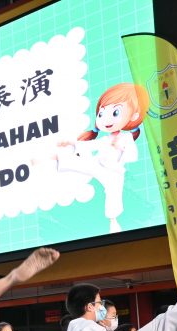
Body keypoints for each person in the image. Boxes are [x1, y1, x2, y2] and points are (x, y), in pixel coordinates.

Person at [56, 83, 149, 233]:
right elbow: (91, 145)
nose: (105, 119)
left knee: (113, 192)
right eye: (101, 114)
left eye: (115, 112)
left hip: (114, 173)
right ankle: (52, 159)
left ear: (134, 115)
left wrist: (119, 147)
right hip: (98, 164)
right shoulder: (106, 140)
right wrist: (71, 143)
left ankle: (113, 221)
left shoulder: (126, 138)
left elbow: (132, 156)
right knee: (77, 163)